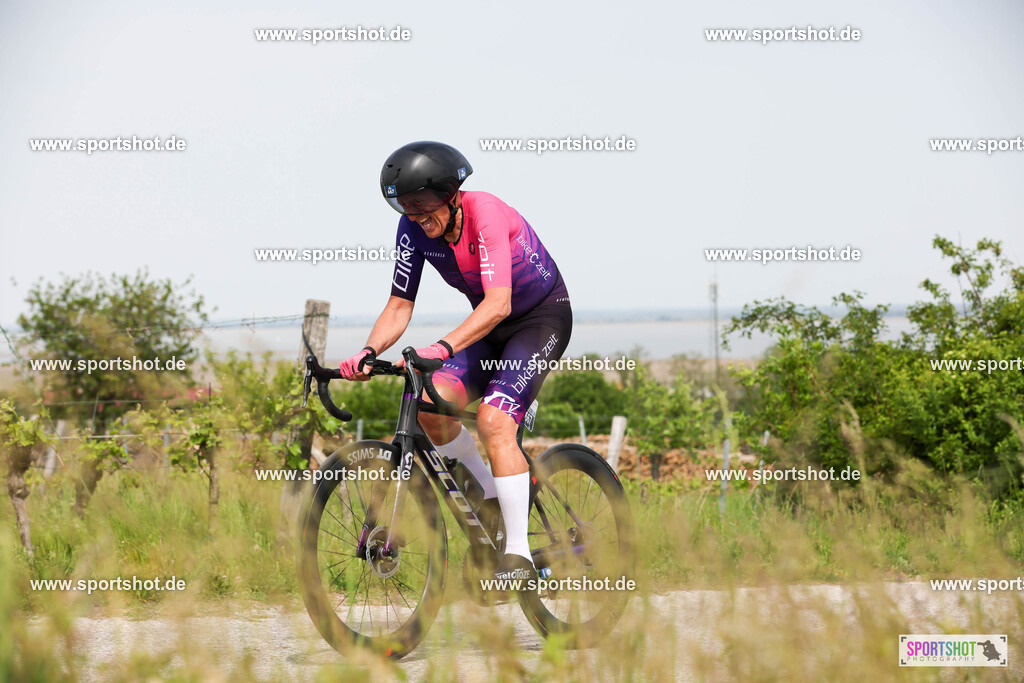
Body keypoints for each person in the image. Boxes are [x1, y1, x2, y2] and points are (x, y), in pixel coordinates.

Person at [338, 141, 572, 584]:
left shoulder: (486, 214)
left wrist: (442, 348)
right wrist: (369, 352)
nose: (417, 219)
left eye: (424, 207)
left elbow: (500, 303)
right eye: (406, 209)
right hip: (487, 327)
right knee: (430, 406)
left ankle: (518, 556)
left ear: (451, 193)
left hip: (539, 319)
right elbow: (399, 305)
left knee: (494, 422)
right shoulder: (412, 230)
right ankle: (489, 493)